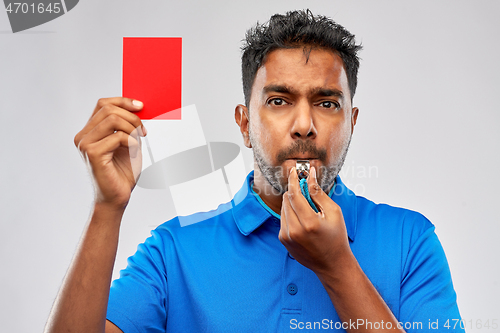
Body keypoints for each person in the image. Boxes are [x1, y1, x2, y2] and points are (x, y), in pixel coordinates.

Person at [45, 10, 463, 333]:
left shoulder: (411, 241)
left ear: (352, 121)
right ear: (245, 125)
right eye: (279, 101)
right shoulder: (173, 252)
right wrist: (107, 207)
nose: (304, 125)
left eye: (327, 102)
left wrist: (337, 266)